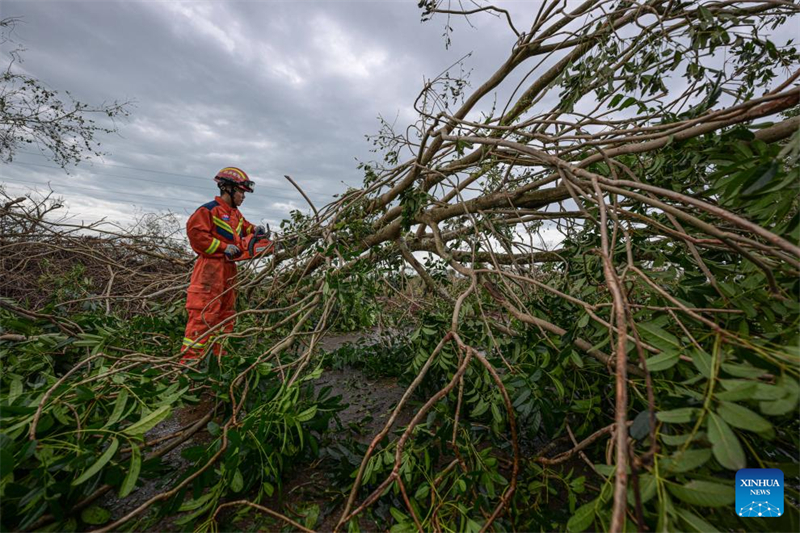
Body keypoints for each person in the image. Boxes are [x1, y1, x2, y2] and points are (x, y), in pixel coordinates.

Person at [180, 167, 268, 363]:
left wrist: (258, 230)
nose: (243, 196)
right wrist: (222, 247)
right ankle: (189, 365)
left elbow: (246, 228)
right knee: (203, 317)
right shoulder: (208, 210)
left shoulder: (235, 214)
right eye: (240, 191)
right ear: (227, 188)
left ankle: (218, 362)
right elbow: (197, 237)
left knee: (226, 316)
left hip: (228, 271)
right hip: (209, 271)